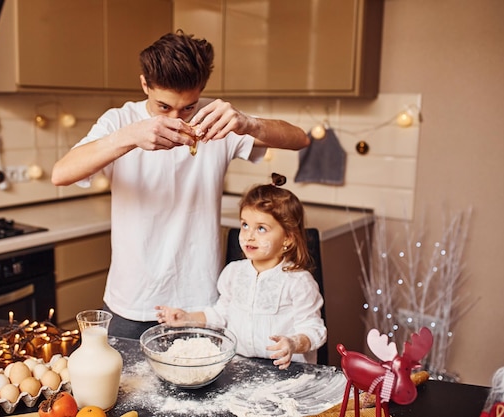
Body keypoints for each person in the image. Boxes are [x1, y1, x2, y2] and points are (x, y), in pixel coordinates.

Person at [51, 31, 310, 339]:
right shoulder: (119, 121)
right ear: (145, 84)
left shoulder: (216, 118)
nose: (177, 119)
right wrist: (129, 137)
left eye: (187, 107)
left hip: (200, 304)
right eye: (164, 107)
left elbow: (300, 139)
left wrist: (249, 123)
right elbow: (61, 173)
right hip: (132, 301)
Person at [156, 173, 327, 368]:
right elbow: (220, 315)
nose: (249, 236)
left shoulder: (298, 282)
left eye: (261, 228)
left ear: (288, 238)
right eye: (245, 225)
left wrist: (293, 343)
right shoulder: (233, 273)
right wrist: (188, 318)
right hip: (239, 368)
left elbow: (314, 331)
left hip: (285, 373)